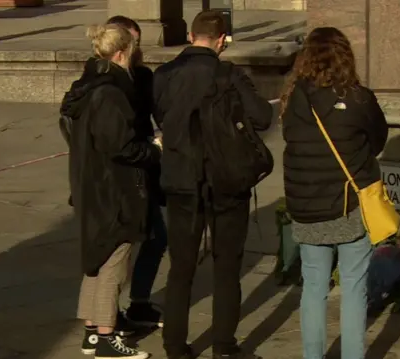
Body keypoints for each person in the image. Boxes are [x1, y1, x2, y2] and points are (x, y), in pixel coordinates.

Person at [153, 10, 272, 359]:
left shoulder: (163, 75)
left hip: (181, 180)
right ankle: (223, 345)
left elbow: (161, 117)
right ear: (221, 40)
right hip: (227, 179)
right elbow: (263, 117)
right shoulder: (230, 74)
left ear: (191, 37)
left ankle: (175, 346)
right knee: (226, 266)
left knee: (181, 269)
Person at [279, 27, 388, 359]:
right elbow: (378, 140)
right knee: (354, 288)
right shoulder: (358, 97)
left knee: (314, 287)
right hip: (349, 205)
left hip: (306, 206)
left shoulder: (293, 98)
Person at [61, 23, 162, 359]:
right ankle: (106, 337)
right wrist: (154, 149)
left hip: (91, 186)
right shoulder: (110, 94)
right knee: (113, 267)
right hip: (114, 191)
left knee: (97, 259)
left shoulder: (87, 86)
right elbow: (122, 147)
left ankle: (92, 331)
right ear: (122, 52)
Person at [106, 15, 167, 330]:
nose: (135, 49)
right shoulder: (104, 84)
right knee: (116, 250)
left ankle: (139, 302)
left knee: (156, 239)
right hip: (119, 176)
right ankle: (106, 317)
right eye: (131, 43)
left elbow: (159, 112)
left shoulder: (143, 77)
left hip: (145, 166)